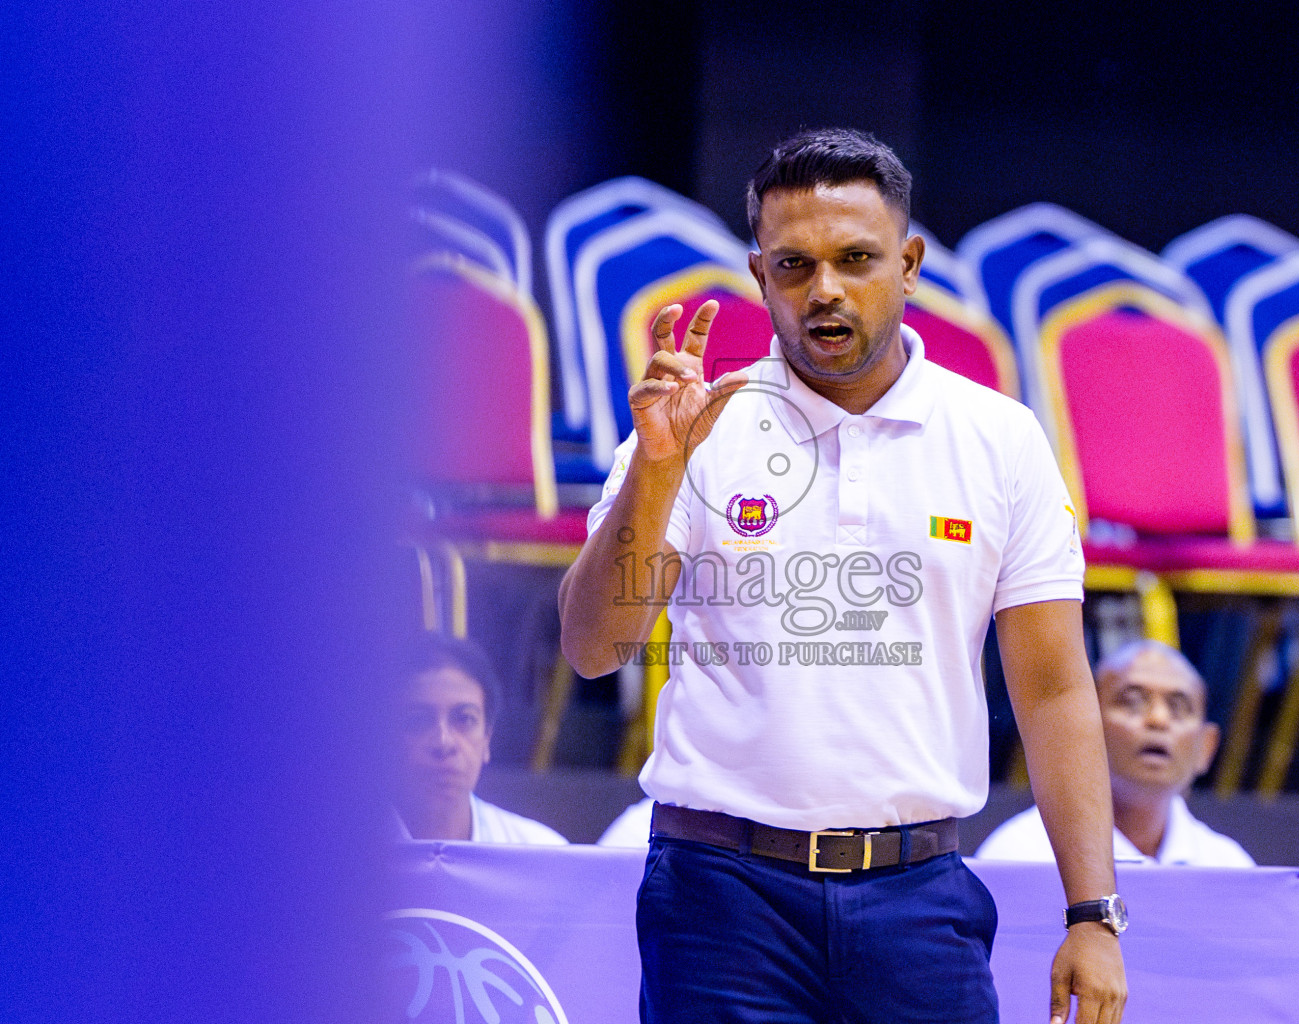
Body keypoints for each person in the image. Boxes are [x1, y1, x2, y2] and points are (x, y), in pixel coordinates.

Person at [559, 128, 1125, 1024]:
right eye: (794, 265)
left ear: (909, 264)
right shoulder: (696, 428)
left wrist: (1092, 913)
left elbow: (1053, 689)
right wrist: (658, 471)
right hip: (720, 899)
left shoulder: (1000, 439)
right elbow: (595, 647)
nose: (824, 289)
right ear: (760, 276)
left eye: (855, 259)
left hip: (919, 894)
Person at [977, 640, 1254, 867]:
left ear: (1206, 747)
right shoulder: (1019, 854)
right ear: (1083, 728)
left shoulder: (1230, 867)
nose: (1158, 720)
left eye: (1178, 708)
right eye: (1133, 702)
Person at [392, 632, 567, 845]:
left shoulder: (540, 851)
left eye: (465, 719)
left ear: (487, 738)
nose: (443, 743)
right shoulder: (353, 852)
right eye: (419, 720)